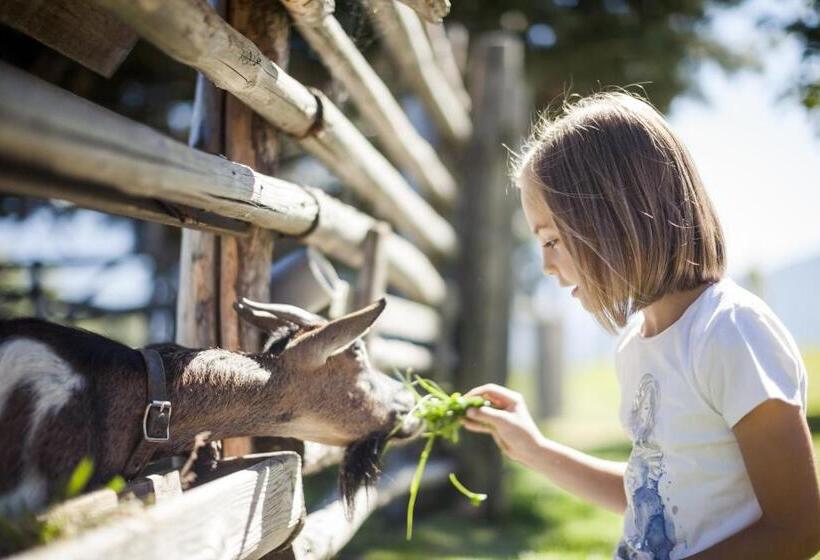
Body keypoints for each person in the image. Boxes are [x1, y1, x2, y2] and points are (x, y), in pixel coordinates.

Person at [462, 92, 820, 559]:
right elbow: (654, 496)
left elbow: (799, 528)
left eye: (551, 240)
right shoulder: (636, 345)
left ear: (615, 219)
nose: (547, 266)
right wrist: (535, 449)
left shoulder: (730, 332)